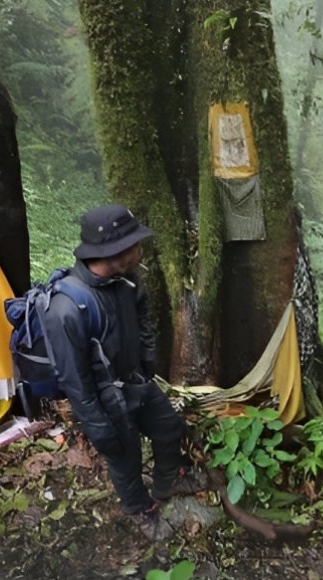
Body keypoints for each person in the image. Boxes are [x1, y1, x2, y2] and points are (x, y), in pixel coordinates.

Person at [41, 204, 205, 541]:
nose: (140, 250)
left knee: (169, 427)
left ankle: (167, 480)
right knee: (124, 457)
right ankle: (138, 509)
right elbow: (74, 379)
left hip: (135, 380)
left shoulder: (126, 280)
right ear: (111, 251)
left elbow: (142, 315)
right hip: (105, 398)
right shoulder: (67, 308)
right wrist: (97, 425)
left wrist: (147, 358)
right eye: (134, 244)